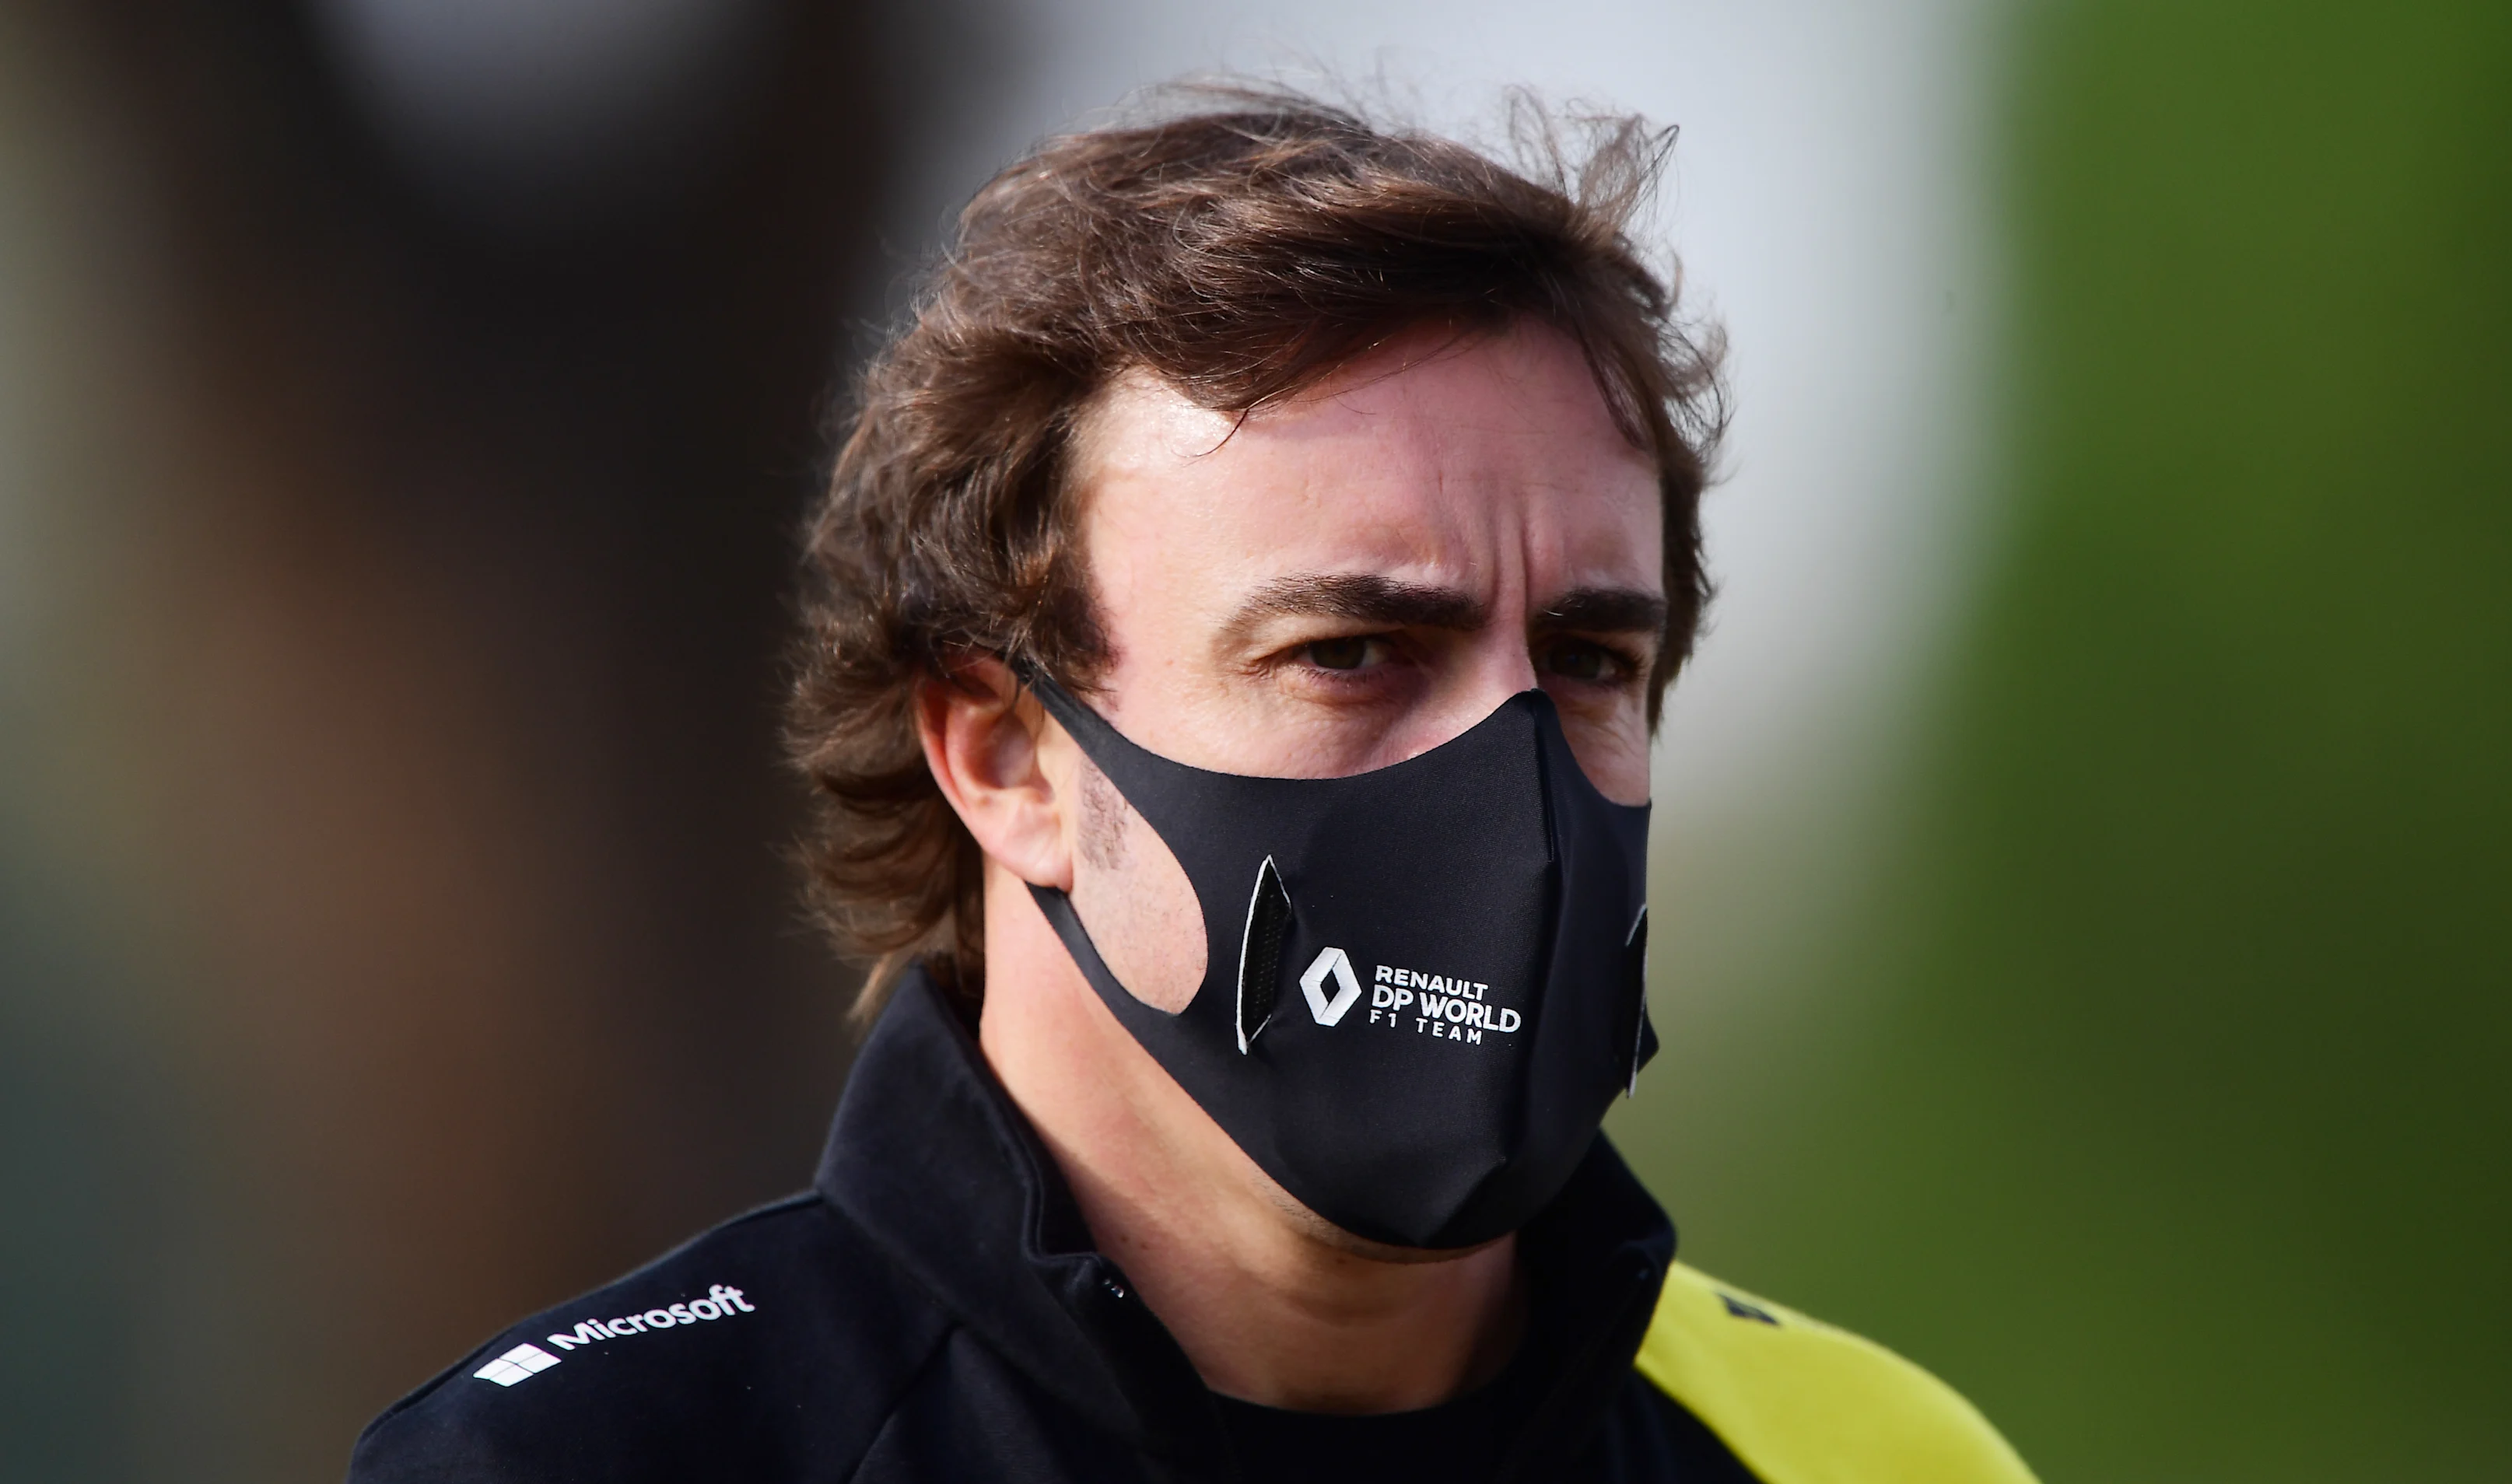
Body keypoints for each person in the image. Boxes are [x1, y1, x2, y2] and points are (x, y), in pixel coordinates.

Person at [347, 91, 2036, 1484]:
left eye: (1591, 661)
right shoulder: (601, 1464)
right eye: (1355, 651)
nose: (1511, 792)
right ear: (1003, 754)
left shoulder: (1870, 1458)